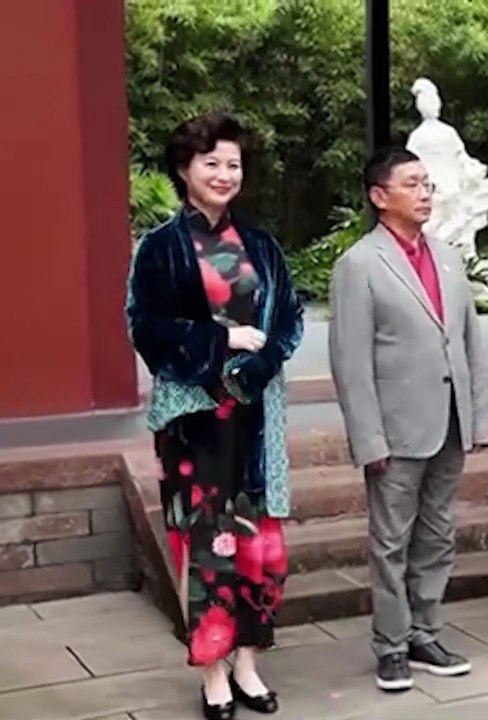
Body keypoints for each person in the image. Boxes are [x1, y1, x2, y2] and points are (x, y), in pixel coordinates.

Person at [126, 112, 303, 720]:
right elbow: (145, 326)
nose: (225, 174)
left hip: (256, 412)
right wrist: (219, 342)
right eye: (212, 164)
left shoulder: (261, 243)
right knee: (207, 541)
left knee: (260, 540)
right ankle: (213, 670)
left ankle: (248, 660)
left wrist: (263, 361)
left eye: (233, 164)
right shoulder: (159, 247)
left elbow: (289, 317)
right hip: (195, 417)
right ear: (184, 169)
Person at [328, 147, 488, 692]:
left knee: (438, 534)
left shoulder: (447, 257)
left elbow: (468, 342)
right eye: (413, 184)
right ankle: (392, 645)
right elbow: (351, 363)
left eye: (428, 184)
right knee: (391, 542)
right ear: (380, 196)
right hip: (395, 430)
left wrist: (478, 418)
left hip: (448, 421)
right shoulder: (359, 265)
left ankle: (426, 632)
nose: (425, 193)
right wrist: (367, 438)